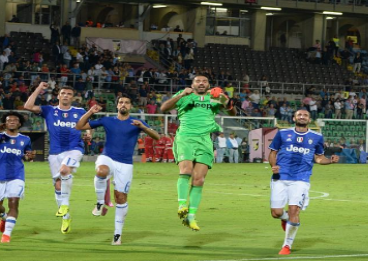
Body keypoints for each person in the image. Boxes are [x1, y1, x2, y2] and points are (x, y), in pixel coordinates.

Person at [75, 95, 160, 245]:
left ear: (130, 106)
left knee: (120, 198)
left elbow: (157, 137)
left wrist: (143, 127)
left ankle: (117, 235)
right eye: (121, 102)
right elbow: (80, 126)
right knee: (101, 171)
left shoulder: (136, 122)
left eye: (127, 102)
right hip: (108, 157)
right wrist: (90, 112)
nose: (123, 104)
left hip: (125, 164)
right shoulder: (107, 120)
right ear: (117, 106)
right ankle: (100, 203)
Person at [159, 75, 236, 231]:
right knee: (186, 170)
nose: (201, 83)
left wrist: (226, 101)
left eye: (204, 81)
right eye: (198, 81)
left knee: (199, 179)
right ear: (192, 84)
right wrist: (181, 94)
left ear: (208, 85)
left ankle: (191, 217)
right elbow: (163, 108)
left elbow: (232, 114)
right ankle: (182, 205)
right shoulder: (184, 95)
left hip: (205, 140)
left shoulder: (214, 97)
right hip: (185, 138)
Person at [269, 109, 339, 255]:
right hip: (280, 176)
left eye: (305, 115)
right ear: (294, 118)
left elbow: (319, 158)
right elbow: (273, 152)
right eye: (299, 115)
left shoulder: (316, 137)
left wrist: (330, 161)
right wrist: (273, 166)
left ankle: (287, 246)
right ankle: (285, 218)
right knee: (276, 213)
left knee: (294, 210)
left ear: (309, 119)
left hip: (301, 178)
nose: (302, 117)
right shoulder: (282, 133)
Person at [24, 83, 90, 234]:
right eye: (63, 93)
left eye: (69, 94)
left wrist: (88, 135)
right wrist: (39, 88)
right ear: (58, 96)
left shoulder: (79, 111)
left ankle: (64, 205)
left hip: (74, 149)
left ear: (73, 98)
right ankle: (66, 217)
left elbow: (88, 125)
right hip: (54, 152)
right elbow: (28, 106)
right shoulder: (49, 110)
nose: (66, 95)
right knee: (58, 186)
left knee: (65, 170)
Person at [0, 112, 34, 243]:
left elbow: (27, 155)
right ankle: (4, 216)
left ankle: (6, 235)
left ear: (19, 123)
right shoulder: (1, 137)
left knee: (13, 202)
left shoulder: (25, 139)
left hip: (16, 175)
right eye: (9, 120)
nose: (12, 122)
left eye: (15, 120)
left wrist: (29, 157)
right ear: (5, 123)